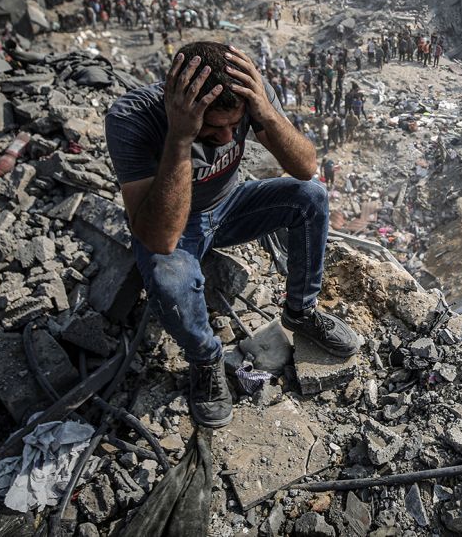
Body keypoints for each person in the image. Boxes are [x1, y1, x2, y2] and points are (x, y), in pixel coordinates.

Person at [104, 41, 359, 429]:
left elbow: (306, 167)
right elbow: (161, 239)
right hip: (176, 224)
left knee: (311, 197)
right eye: (212, 129)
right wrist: (180, 138)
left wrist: (264, 111)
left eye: (232, 126)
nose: (226, 139)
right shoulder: (133, 117)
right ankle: (206, 361)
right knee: (167, 276)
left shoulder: (247, 93)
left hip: (232, 205)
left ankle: (301, 312)